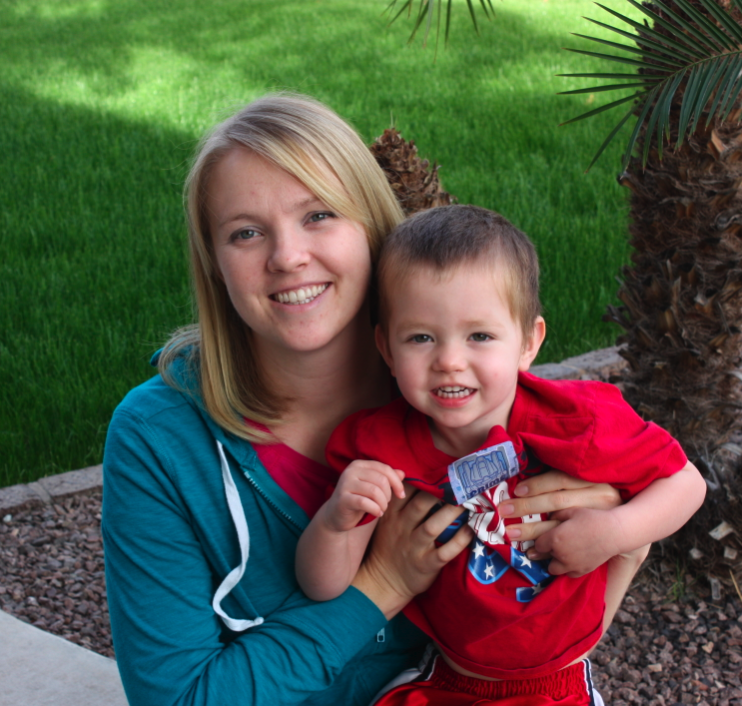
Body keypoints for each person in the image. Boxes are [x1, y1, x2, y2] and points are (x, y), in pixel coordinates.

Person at [102, 93, 639, 706]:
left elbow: (542, 644)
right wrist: (380, 585)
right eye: (245, 232)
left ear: (373, 225)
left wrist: (619, 527)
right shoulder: (160, 439)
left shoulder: (461, 392)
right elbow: (180, 699)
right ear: (214, 264)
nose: (288, 257)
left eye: (319, 215)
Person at [295, 205, 707, 705]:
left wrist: (614, 533)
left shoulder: (579, 420)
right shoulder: (378, 448)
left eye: (480, 336)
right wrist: (337, 522)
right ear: (386, 347)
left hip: (559, 686)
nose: (449, 360)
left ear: (528, 343)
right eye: (420, 337)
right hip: (447, 678)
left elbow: (686, 484)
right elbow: (323, 585)